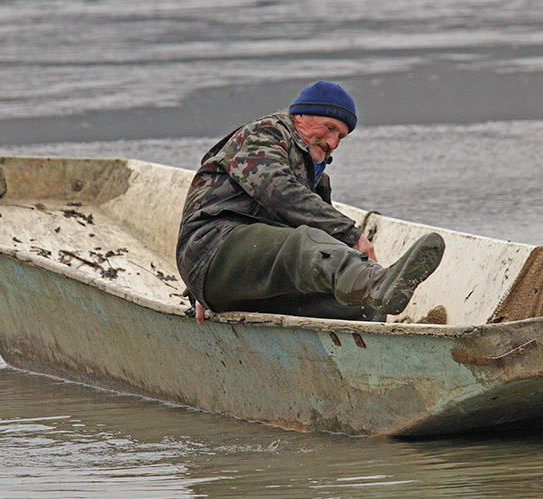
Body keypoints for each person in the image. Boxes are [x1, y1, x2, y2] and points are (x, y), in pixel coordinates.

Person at [176, 80, 445, 323]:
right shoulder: (265, 135)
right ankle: (377, 282)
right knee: (307, 242)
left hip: (254, 280)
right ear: (300, 117)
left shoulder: (317, 178)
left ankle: (375, 334)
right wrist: (351, 233)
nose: (333, 143)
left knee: (360, 308)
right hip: (213, 251)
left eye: (341, 136)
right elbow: (277, 190)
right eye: (329, 129)